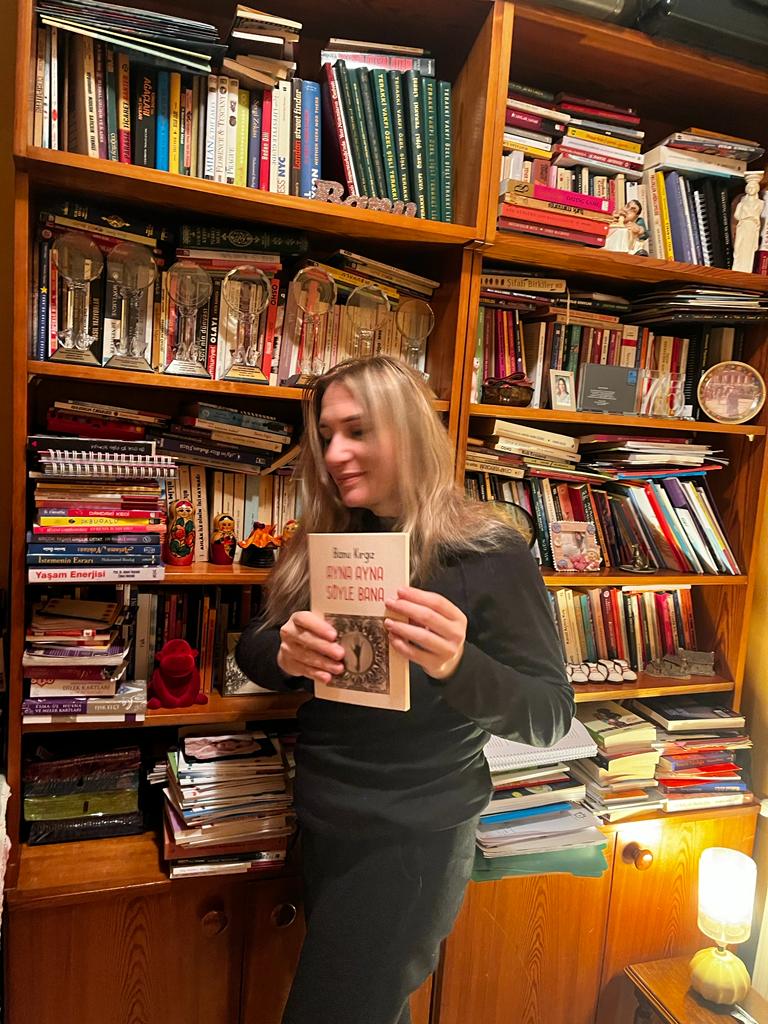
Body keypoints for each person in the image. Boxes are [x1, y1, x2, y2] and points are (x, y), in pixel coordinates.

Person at [236, 356, 573, 1024]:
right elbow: (255, 646)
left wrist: (457, 664)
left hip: (414, 837)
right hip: (325, 816)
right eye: (326, 435)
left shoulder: (487, 551)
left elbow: (549, 715)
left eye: (358, 431)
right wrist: (286, 652)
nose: (335, 453)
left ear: (410, 430)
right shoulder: (333, 535)